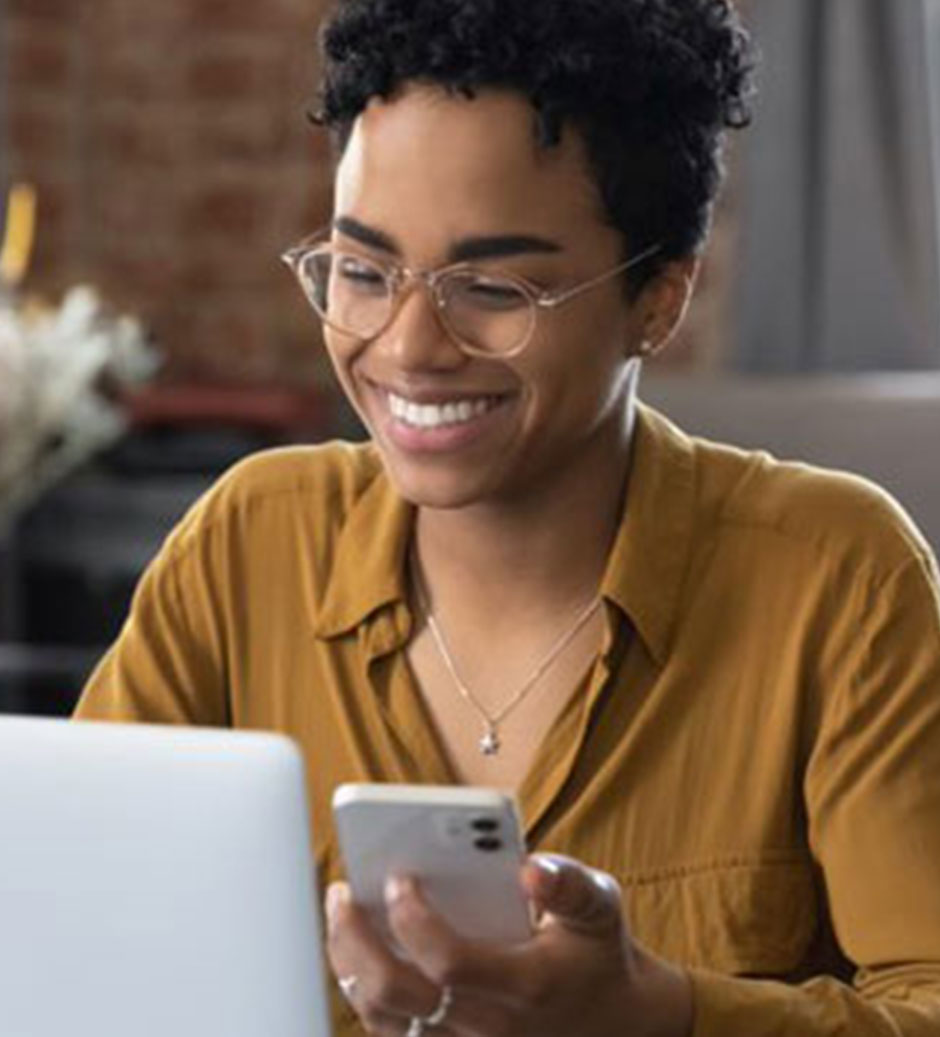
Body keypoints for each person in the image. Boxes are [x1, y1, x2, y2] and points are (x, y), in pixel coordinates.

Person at [74, 0, 940, 1033]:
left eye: (491, 286)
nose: (406, 347)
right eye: (361, 270)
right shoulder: (246, 545)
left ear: (660, 298)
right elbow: (74, 926)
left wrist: (655, 1012)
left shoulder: (834, 578)